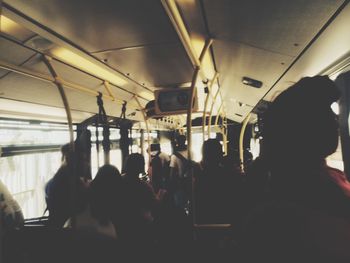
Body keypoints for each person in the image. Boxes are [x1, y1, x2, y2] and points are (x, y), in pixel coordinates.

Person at [240, 76, 350, 262]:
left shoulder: (289, 184)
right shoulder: (289, 210)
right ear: (305, 126)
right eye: (325, 112)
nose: (335, 118)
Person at [169, 135, 191, 210]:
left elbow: (172, 174)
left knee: (180, 206)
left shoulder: (174, 156)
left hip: (180, 184)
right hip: (190, 182)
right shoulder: (191, 153)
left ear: (177, 142)